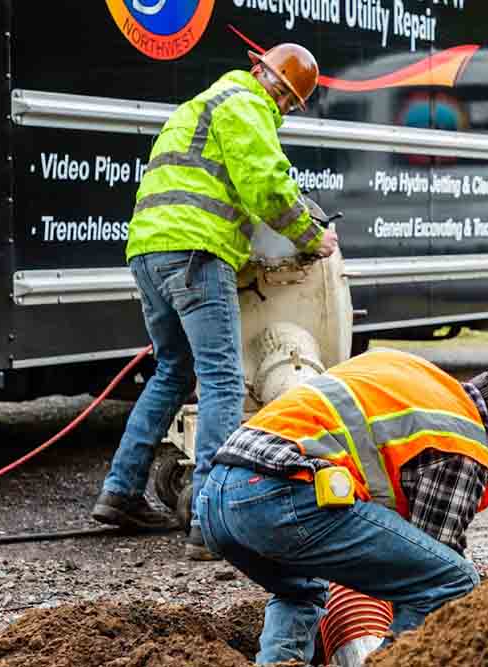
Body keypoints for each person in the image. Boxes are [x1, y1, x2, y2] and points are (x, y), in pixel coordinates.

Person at [91, 44, 339, 561]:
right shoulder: (245, 106)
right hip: (195, 254)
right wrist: (312, 236)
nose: (282, 108)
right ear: (267, 79)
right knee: (223, 379)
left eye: (287, 102)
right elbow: (267, 187)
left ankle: (121, 491)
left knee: (173, 371)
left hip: (149, 253)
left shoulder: (199, 104)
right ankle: (211, 518)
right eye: (286, 99)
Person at [200, 346, 488, 664]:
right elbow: (430, 569)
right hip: (280, 496)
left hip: (219, 495)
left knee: (302, 589)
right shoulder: (464, 447)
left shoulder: (413, 373)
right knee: (453, 580)